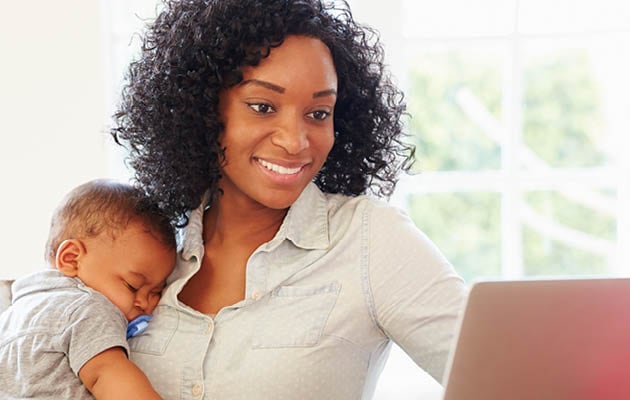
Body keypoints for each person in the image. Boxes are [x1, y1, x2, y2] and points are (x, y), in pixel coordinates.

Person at [111, 0, 467, 398]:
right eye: (263, 107)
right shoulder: (143, 242)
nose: (295, 141)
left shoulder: (370, 240)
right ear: (204, 110)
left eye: (318, 113)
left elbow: (514, 377)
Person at [0, 179, 176, 400]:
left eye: (156, 292)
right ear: (71, 259)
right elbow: (105, 374)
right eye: (133, 286)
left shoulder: (11, 317)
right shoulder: (88, 307)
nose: (146, 303)